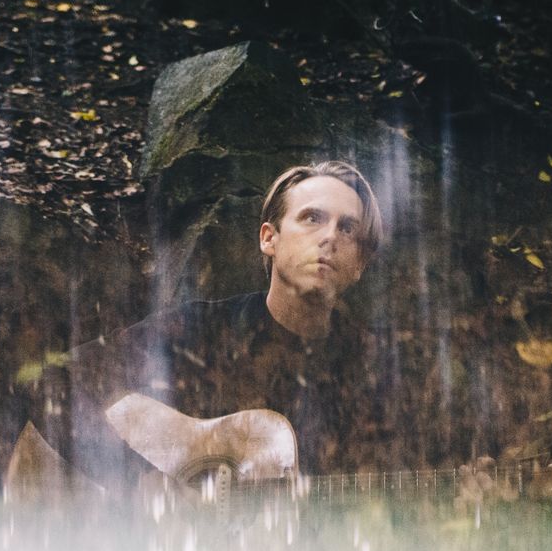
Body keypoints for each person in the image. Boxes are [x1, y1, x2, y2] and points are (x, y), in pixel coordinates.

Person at [55, 160, 388, 487]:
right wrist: (138, 482)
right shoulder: (199, 330)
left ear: (360, 263)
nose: (330, 237)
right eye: (312, 218)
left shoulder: (374, 368)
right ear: (269, 239)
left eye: (347, 228)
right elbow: (60, 382)